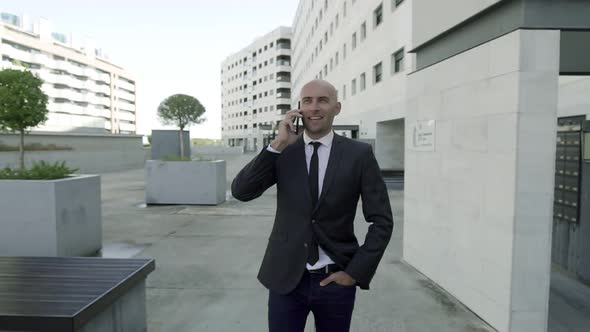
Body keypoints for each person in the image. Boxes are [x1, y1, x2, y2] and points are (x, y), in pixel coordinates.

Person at [231, 79, 393, 332]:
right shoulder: (284, 151)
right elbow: (241, 192)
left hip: (335, 281)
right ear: (298, 109)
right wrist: (277, 144)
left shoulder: (358, 154)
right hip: (285, 279)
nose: (314, 107)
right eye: (307, 101)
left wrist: (355, 272)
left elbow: (381, 220)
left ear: (336, 108)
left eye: (322, 101)